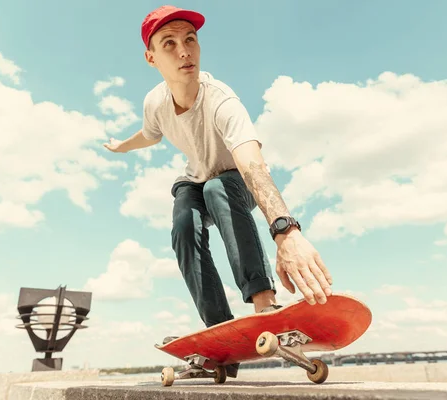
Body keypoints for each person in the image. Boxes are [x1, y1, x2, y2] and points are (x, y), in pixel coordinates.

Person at [104, 5, 333, 377]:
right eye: (170, 43)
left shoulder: (222, 101)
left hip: (234, 181)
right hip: (194, 179)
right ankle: (218, 333)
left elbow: (252, 165)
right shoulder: (155, 103)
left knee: (218, 189)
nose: (184, 51)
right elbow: (149, 134)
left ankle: (264, 304)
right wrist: (121, 146)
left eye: (190, 40)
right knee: (183, 220)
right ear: (151, 58)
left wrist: (285, 230)